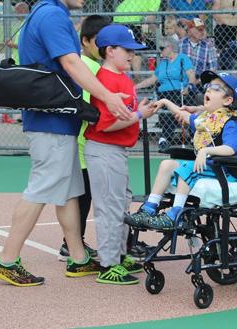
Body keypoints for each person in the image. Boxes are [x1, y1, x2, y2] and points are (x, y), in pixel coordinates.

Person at [0, 0, 133, 287]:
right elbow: (71, 63)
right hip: (50, 120)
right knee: (41, 188)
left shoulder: (48, 12)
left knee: (68, 190)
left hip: (55, 119)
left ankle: (79, 257)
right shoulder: (52, 15)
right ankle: (6, 259)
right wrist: (108, 96)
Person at [84, 24, 157, 285]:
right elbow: (105, 125)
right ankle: (107, 264)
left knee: (121, 202)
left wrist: (141, 111)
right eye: (126, 50)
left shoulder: (124, 79)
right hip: (104, 150)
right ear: (110, 50)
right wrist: (140, 115)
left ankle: (119, 254)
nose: (131, 55)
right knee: (109, 207)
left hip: (117, 151)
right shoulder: (105, 80)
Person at [126, 70, 237, 230]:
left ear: (228, 100)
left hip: (220, 170)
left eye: (216, 88)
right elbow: (183, 114)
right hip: (205, 168)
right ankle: (149, 208)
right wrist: (166, 102)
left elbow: (230, 149)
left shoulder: (231, 123)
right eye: (209, 86)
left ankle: (176, 215)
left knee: (187, 168)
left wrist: (205, 151)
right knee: (167, 164)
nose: (208, 90)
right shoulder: (207, 119)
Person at [56, 14, 111, 261]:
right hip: (83, 143)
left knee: (83, 194)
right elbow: (90, 110)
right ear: (86, 41)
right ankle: (72, 244)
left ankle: (72, 243)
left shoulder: (85, 64)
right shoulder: (90, 68)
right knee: (84, 195)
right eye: (100, 41)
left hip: (81, 142)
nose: (105, 47)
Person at [136, 36, 197, 149]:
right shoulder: (162, 63)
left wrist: (189, 87)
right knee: (167, 102)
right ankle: (165, 137)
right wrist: (136, 87)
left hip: (180, 92)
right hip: (164, 94)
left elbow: (191, 76)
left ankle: (166, 137)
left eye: (162, 47)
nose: (160, 50)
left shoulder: (182, 58)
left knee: (175, 103)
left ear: (170, 47)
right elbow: (152, 79)